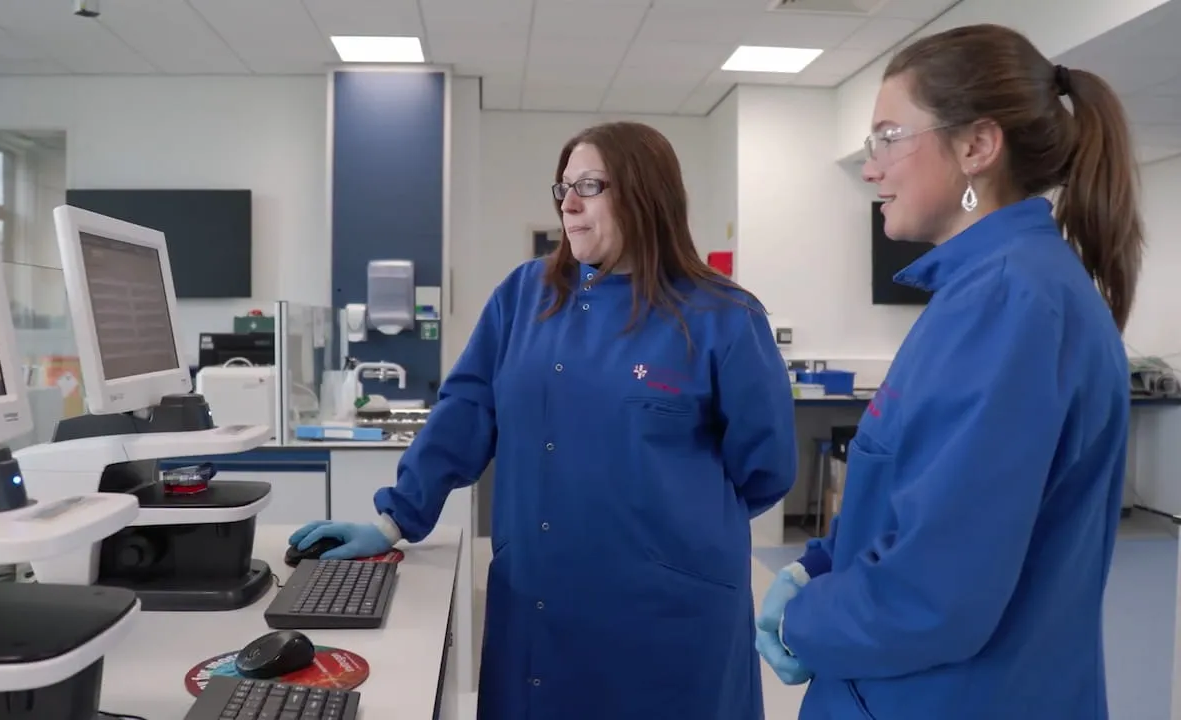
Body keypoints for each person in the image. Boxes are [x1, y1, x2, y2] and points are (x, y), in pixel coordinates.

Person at [290, 121, 798, 719]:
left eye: (590, 185)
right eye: (562, 188)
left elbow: (765, 470)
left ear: (647, 193)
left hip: (670, 610)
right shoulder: (526, 295)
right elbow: (466, 410)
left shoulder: (724, 316)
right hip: (541, 594)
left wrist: (669, 539)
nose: (570, 204)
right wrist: (395, 519)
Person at [754, 23, 1144, 720]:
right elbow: (912, 495)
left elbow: (935, 593)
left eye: (887, 138)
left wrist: (801, 620)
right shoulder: (986, 292)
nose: (870, 168)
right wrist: (817, 565)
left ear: (976, 146)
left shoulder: (1008, 303)